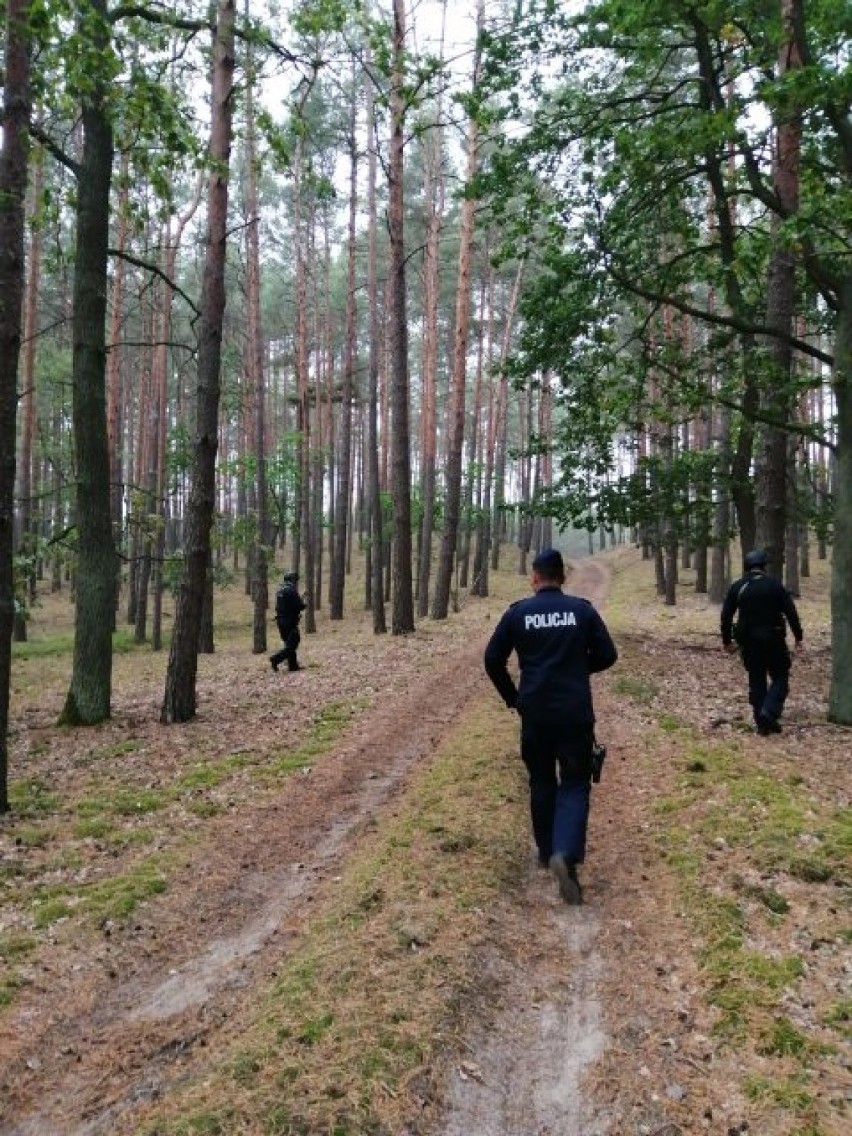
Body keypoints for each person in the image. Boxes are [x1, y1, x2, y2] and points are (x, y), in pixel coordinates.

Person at [484, 548, 618, 905]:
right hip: (575, 713)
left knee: (541, 779)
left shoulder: (518, 613)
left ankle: (547, 852)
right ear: (563, 576)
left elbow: (492, 659)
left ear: (535, 577)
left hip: (536, 712)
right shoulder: (582, 611)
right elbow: (608, 655)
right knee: (574, 783)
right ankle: (566, 853)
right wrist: (577, 669)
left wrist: (513, 697)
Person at [720, 548, 803, 735]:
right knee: (781, 676)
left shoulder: (738, 586)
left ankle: (763, 722)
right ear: (764, 566)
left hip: (749, 642)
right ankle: (769, 712)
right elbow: (791, 612)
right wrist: (798, 636)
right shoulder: (775, 586)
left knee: (756, 678)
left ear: (747, 566)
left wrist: (727, 641)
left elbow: (726, 616)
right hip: (774, 639)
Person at [270, 571, 306, 673]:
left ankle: (293, 667)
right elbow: (298, 606)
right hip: (289, 621)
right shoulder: (291, 590)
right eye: (296, 580)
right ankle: (275, 659)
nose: (296, 582)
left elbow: (286, 605)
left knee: (289, 643)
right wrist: (304, 604)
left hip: (281, 621)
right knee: (293, 643)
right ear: (292, 580)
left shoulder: (280, 590)